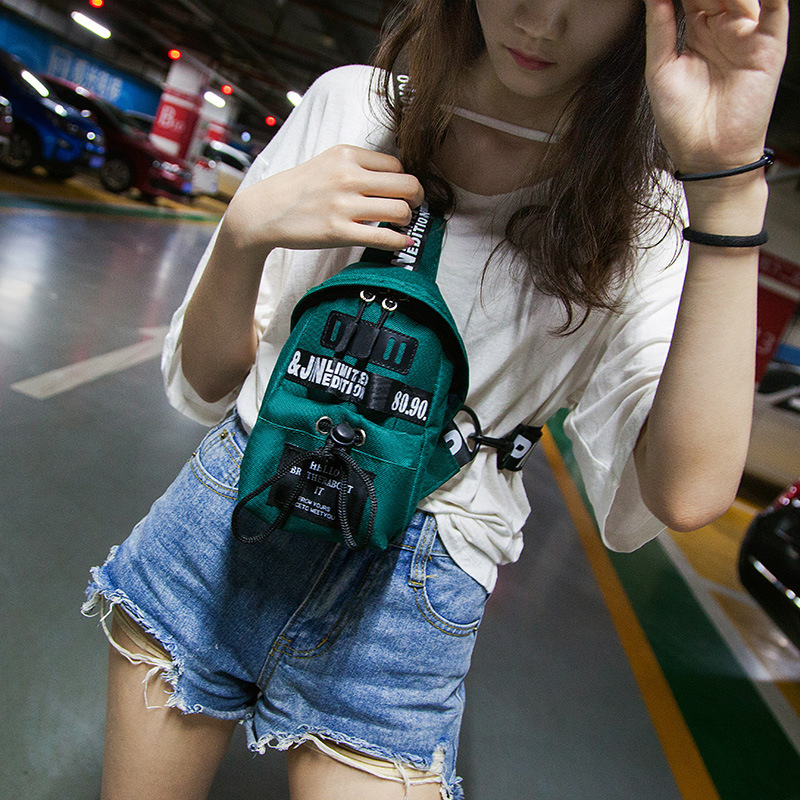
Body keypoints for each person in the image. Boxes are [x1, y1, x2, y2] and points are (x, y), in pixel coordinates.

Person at [82, 0, 790, 798]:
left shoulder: (641, 213)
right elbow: (208, 380)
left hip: (409, 598)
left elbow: (689, 492)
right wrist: (247, 232)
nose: (543, 20)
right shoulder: (353, 104)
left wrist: (729, 190)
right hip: (225, 519)